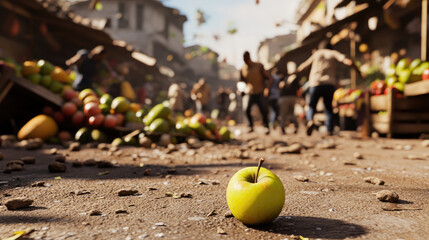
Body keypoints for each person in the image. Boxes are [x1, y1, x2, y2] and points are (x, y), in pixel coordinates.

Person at [293, 42, 357, 136]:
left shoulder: (317, 53)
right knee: (328, 108)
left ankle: (310, 120)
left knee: (311, 106)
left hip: (315, 83)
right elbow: (346, 61)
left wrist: (295, 72)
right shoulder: (333, 53)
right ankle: (329, 129)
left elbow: (304, 66)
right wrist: (356, 68)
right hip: (329, 84)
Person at [240, 51, 273, 134]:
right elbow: (241, 82)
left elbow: (269, 78)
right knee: (246, 109)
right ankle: (250, 125)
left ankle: (266, 126)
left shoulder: (258, 66)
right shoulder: (243, 69)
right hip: (250, 92)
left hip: (260, 91)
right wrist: (241, 89)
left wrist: (267, 89)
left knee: (264, 110)